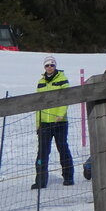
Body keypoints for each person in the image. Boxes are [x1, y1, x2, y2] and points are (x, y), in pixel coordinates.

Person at [33, 55, 75, 189]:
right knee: (42, 152)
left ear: (55, 66)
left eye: (52, 65)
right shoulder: (41, 82)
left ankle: (68, 176)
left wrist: (60, 115)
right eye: (47, 65)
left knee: (62, 148)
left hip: (60, 122)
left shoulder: (62, 79)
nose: (50, 67)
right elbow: (38, 104)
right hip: (45, 122)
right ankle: (40, 180)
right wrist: (38, 123)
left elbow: (66, 98)